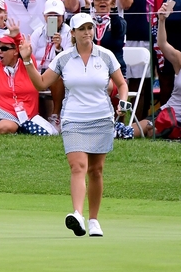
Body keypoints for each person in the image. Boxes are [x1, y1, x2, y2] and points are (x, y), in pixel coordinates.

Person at [23, 13, 129, 238]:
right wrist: (27, 60)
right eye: (82, 29)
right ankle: (78, 215)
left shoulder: (106, 56)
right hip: (73, 119)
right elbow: (41, 82)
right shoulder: (64, 59)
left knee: (96, 171)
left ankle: (94, 221)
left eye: (89, 28)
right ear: (73, 33)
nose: (87, 32)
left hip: (101, 118)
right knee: (78, 167)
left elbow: (121, 83)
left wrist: (123, 102)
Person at [29, 0, 71, 129]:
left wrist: (58, 48)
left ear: (63, 16)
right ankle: (30, 115)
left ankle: (55, 115)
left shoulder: (69, 33)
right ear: (44, 16)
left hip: (58, 73)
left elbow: (68, 62)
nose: (53, 18)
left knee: (55, 75)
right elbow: (30, 54)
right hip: (39, 70)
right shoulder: (38, 32)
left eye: (57, 15)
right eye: (50, 15)